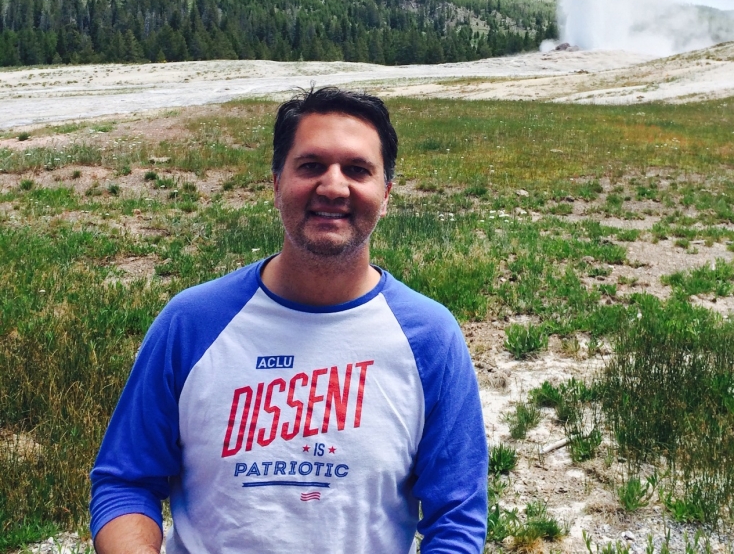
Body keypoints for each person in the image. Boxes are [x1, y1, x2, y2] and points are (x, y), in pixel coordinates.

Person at [90, 87, 488, 554]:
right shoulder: (191, 322)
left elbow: (457, 519)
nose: (334, 186)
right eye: (311, 165)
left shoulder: (431, 336)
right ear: (276, 183)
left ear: (386, 194)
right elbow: (125, 481)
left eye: (358, 170)